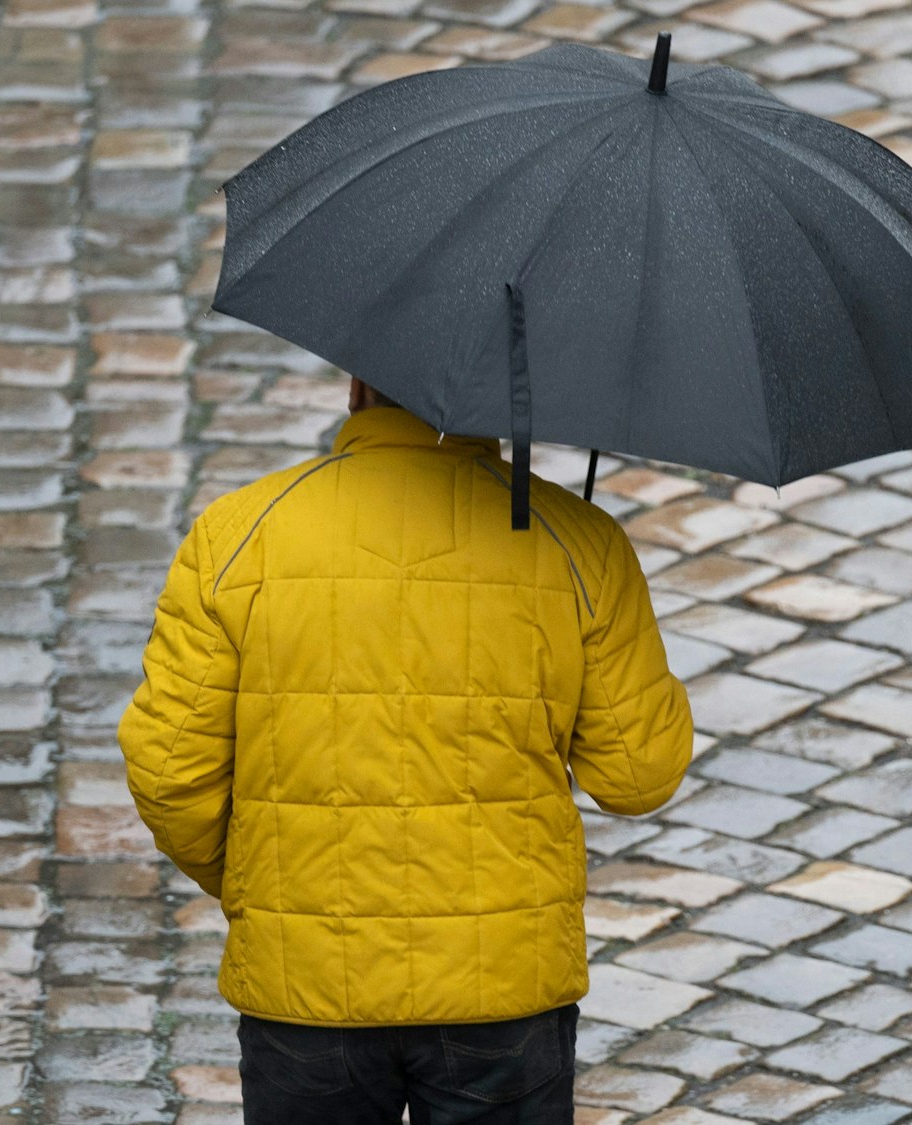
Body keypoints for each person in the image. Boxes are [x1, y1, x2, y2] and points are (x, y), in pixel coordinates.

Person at [118, 377, 694, 1124]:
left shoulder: (238, 534)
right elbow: (640, 774)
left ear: (358, 387)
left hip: (308, 990)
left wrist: (266, 887)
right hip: (504, 998)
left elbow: (168, 773)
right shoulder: (576, 541)